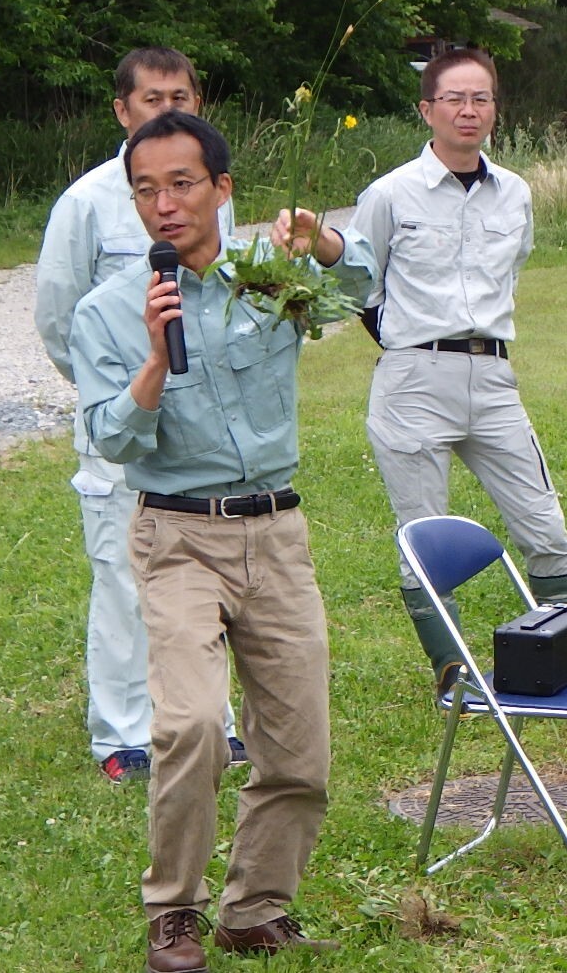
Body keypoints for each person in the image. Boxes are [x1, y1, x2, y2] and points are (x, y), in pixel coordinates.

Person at [69, 111, 374, 972]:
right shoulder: (108, 311)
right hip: (176, 536)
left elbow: (361, 288)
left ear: (221, 189)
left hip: (275, 531)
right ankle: (175, 911)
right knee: (195, 725)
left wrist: (321, 243)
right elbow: (112, 440)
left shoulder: (266, 278)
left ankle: (255, 908)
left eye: (181, 184)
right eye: (144, 189)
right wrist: (153, 363)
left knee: (299, 744)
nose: (163, 205)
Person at [34, 47, 243, 783]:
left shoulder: (208, 194)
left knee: (208, 573)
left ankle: (216, 722)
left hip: (201, 433)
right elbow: (59, 319)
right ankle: (123, 734)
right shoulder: (89, 202)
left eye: (179, 96)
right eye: (150, 99)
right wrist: (115, 391)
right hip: (123, 425)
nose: (166, 109)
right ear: (121, 111)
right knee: (125, 577)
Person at [350, 47, 567, 693]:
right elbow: (357, 285)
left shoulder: (515, 192)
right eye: (453, 98)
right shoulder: (390, 194)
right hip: (412, 382)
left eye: (480, 98)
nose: (467, 109)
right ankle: (452, 673)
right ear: (426, 109)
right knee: (423, 534)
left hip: (492, 378)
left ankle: (562, 658)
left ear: (494, 110)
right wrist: (408, 344)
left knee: (543, 523)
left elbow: (509, 271)